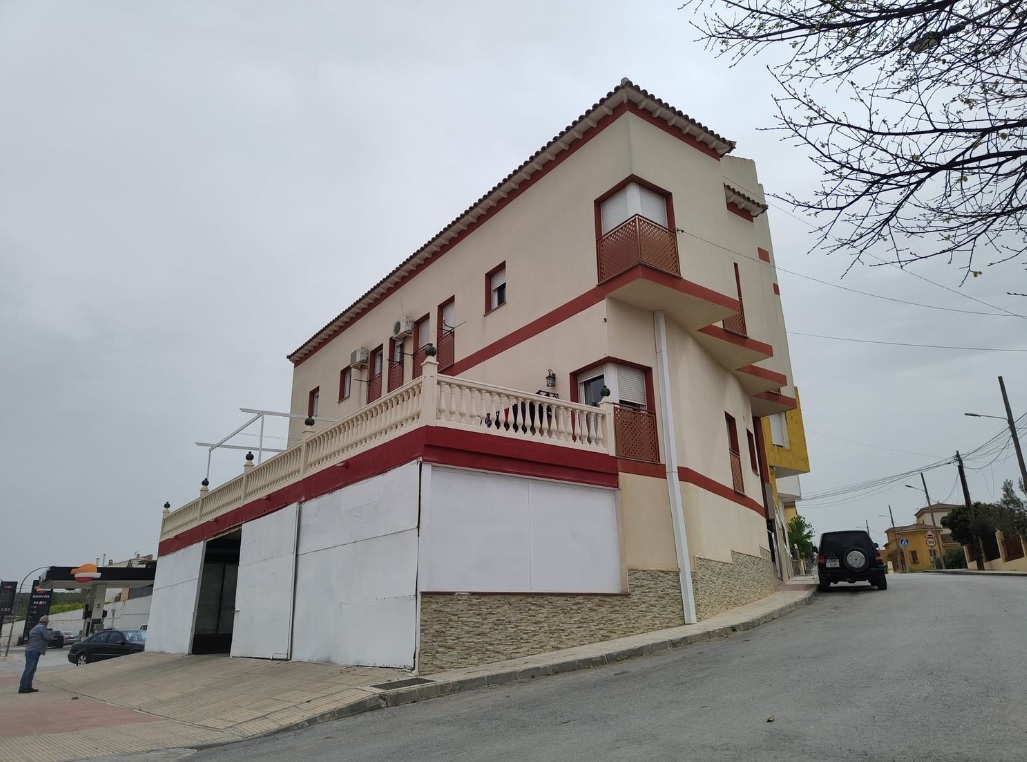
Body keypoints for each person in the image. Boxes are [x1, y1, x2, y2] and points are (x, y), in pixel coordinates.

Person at [18, 614, 52, 694]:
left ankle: (28, 686)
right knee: (29, 669)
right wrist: (51, 633)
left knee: (31, 669)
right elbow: (48, 637)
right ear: (46, 622)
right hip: (34, 650)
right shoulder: (42, 628)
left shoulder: (35, 628)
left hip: (31, 650)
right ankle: (23, 687)